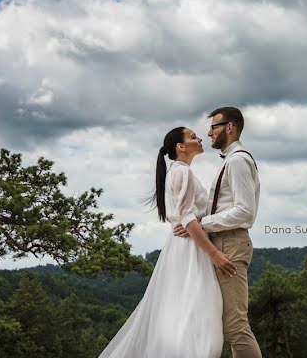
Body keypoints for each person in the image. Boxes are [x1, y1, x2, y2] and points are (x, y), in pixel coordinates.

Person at [98, 127, 236, 358]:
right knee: (200, 322)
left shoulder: (177, 171)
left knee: (184, 318)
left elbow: (190, 218)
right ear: (180, 147)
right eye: (193, 137)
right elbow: (188, 218)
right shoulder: (182, 172)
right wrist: (215, 254)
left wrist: (197, 221)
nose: (200, 138)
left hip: (182, 248)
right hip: (191, 251)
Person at [174, 106, 262, 357]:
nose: (209, 133)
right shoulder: (232, 161)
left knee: (236, 326)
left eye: (213, 127)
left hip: (230, 244)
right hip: (224, 243)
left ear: (230, 127)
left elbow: (245, 212)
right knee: (227, 325)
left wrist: (202, 224)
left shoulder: (238, 161)